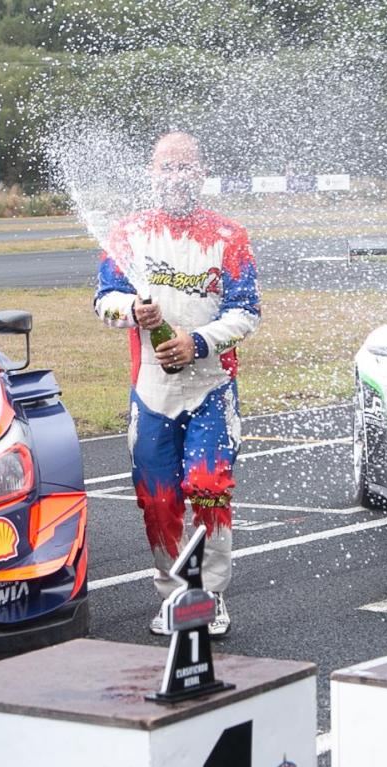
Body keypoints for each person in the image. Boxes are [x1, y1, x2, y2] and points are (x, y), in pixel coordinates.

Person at [94, 131, 262, 638]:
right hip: (151, 393)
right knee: (158, 497)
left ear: (202, 173)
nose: (176, 176)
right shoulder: (128, 233)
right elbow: (104, 300)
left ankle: (209, 596)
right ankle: (173, 597)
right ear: (152, 173)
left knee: (209, 488)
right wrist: (131, 311)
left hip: (211, 387)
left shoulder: (230, 238)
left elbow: (247, 312)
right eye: (167, 167)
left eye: (186, 166)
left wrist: (199, 342)